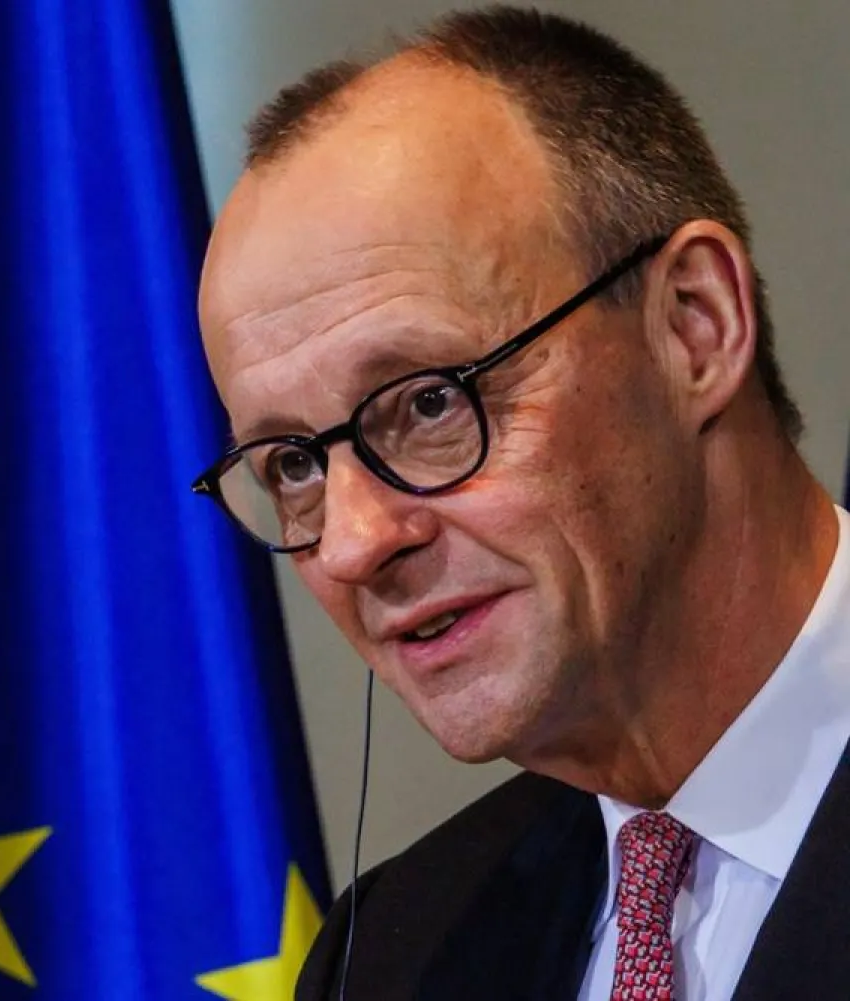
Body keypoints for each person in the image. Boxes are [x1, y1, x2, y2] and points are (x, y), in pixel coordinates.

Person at [191, 6, 850, 999]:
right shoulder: (388, 957)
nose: (356, 542)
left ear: (695, 327)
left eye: (427, 402)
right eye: (293, 465)